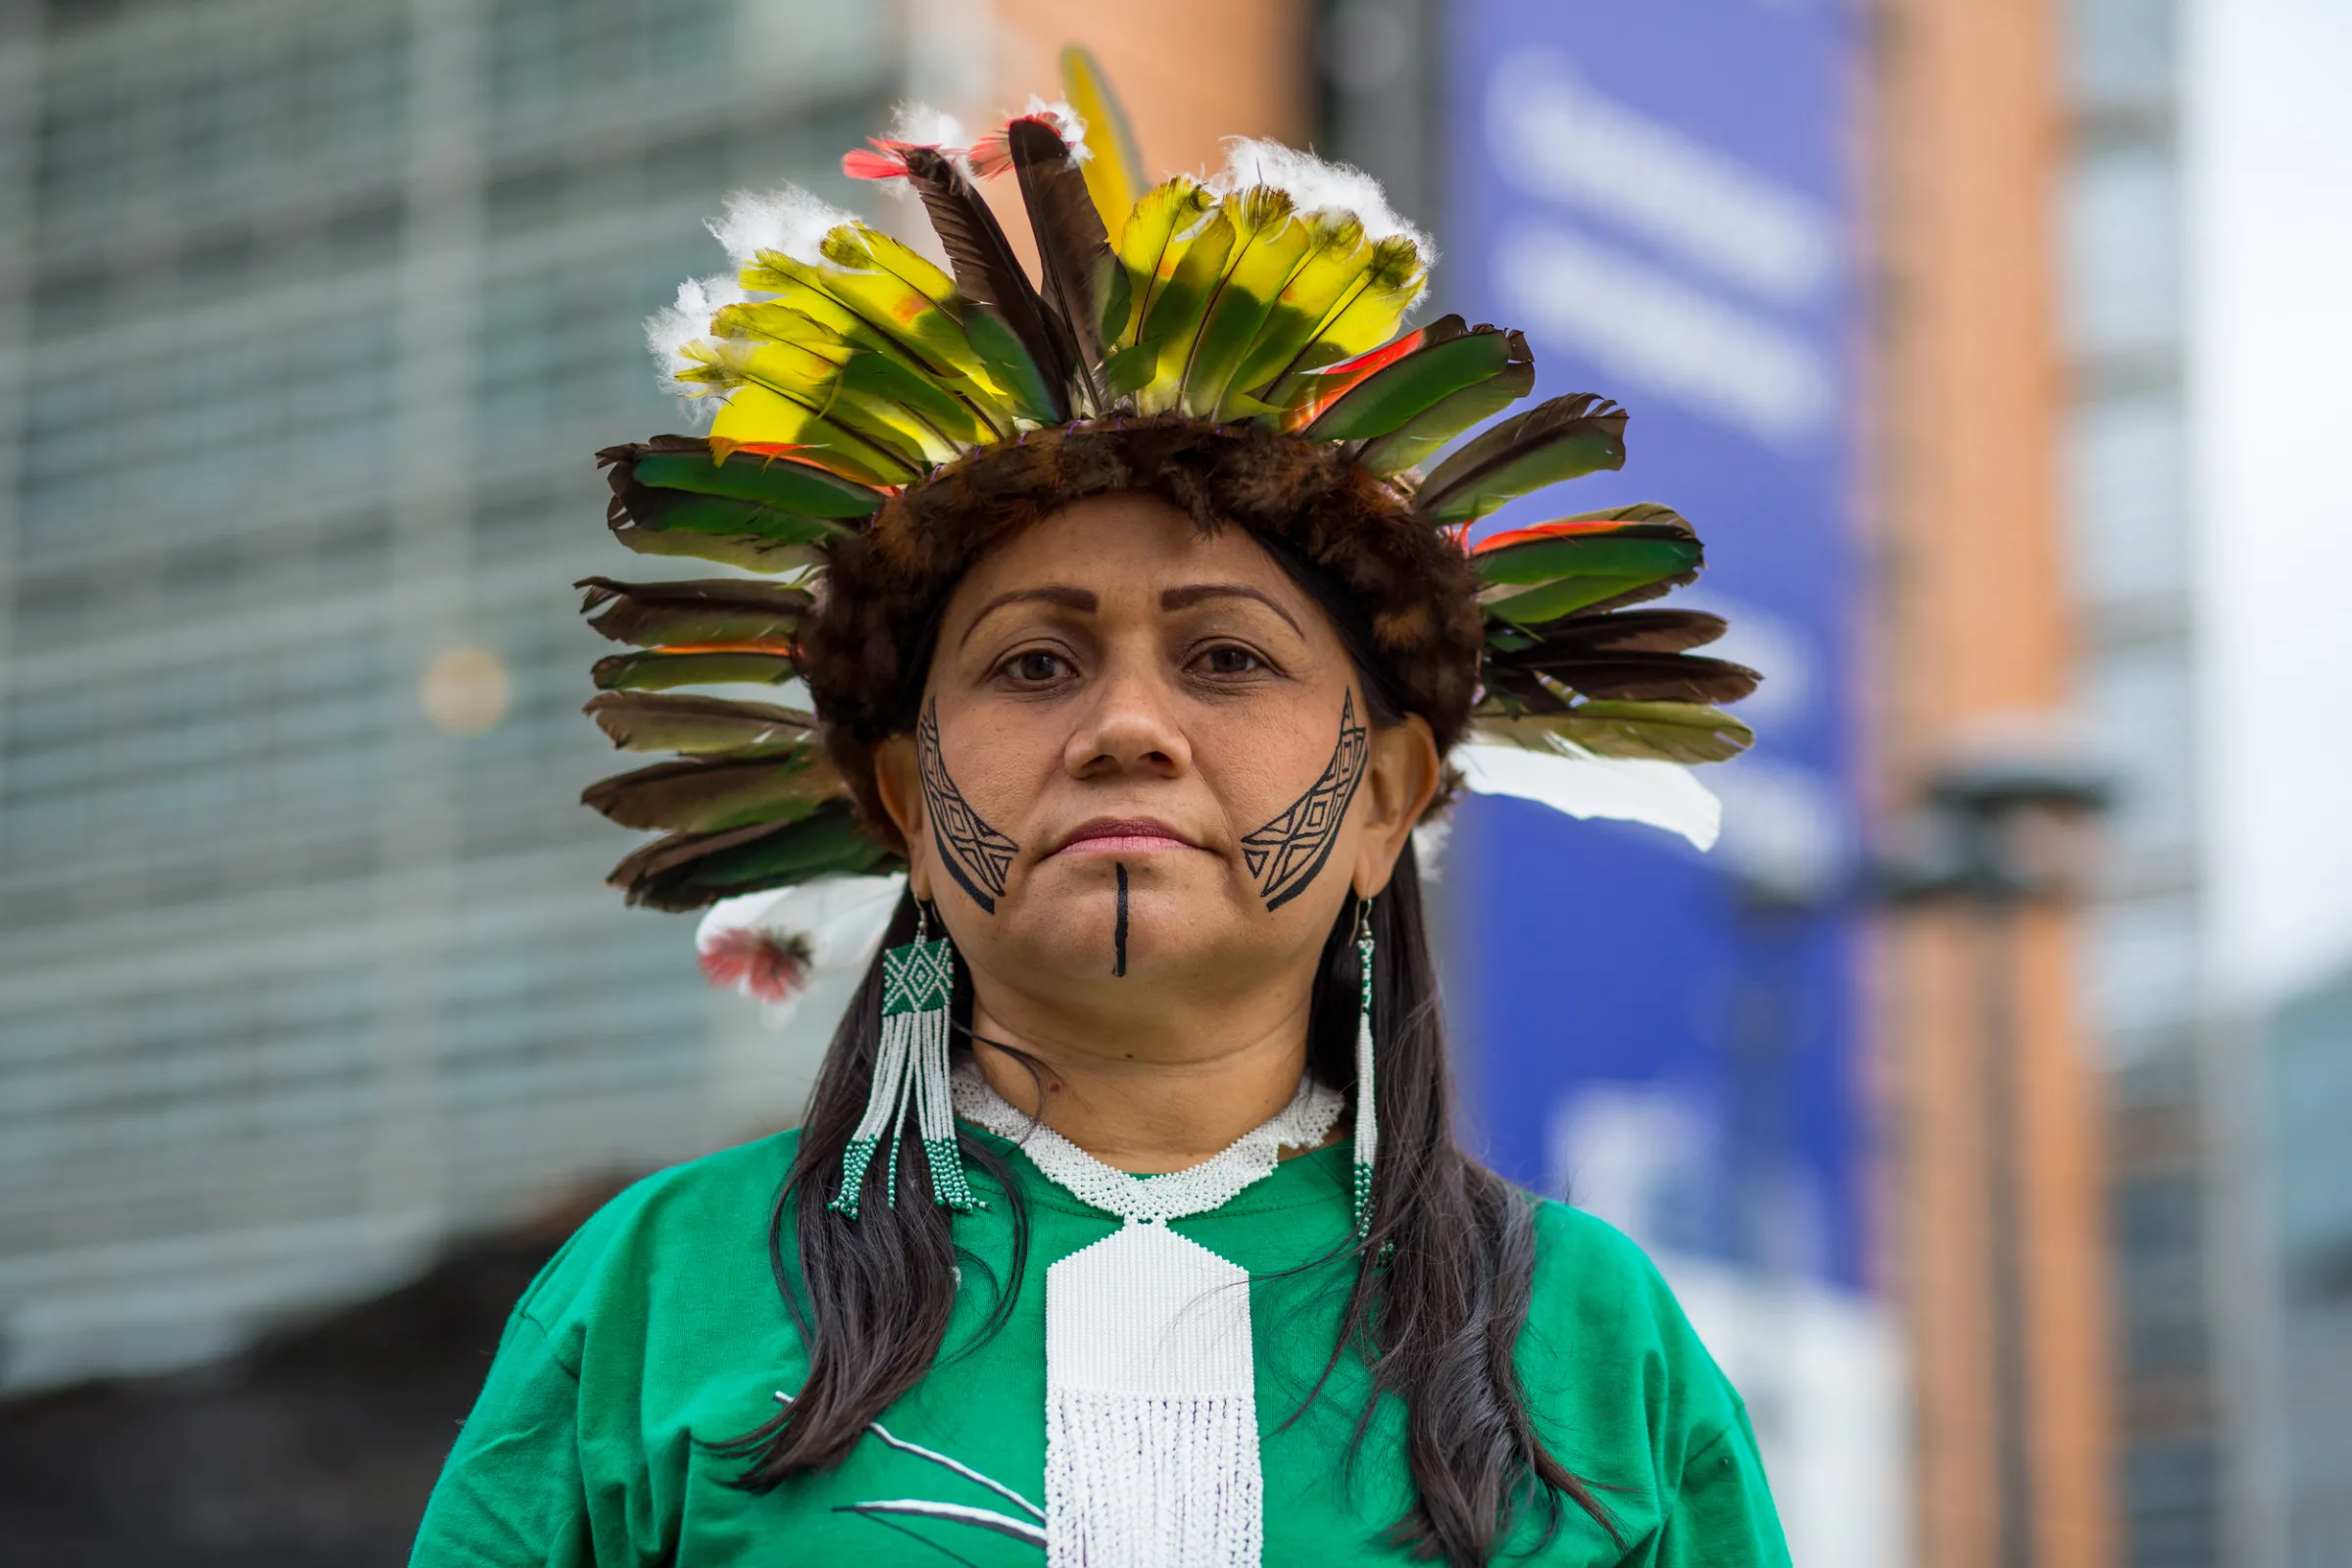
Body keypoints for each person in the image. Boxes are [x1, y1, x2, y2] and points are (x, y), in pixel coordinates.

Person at [411, 47, 1787, 1568]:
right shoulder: (660, 1295)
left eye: (1226, 658)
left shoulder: (1595, 1342)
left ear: (1390, 796)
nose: (1128, 727)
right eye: (1037, 663)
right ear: (906, 798)